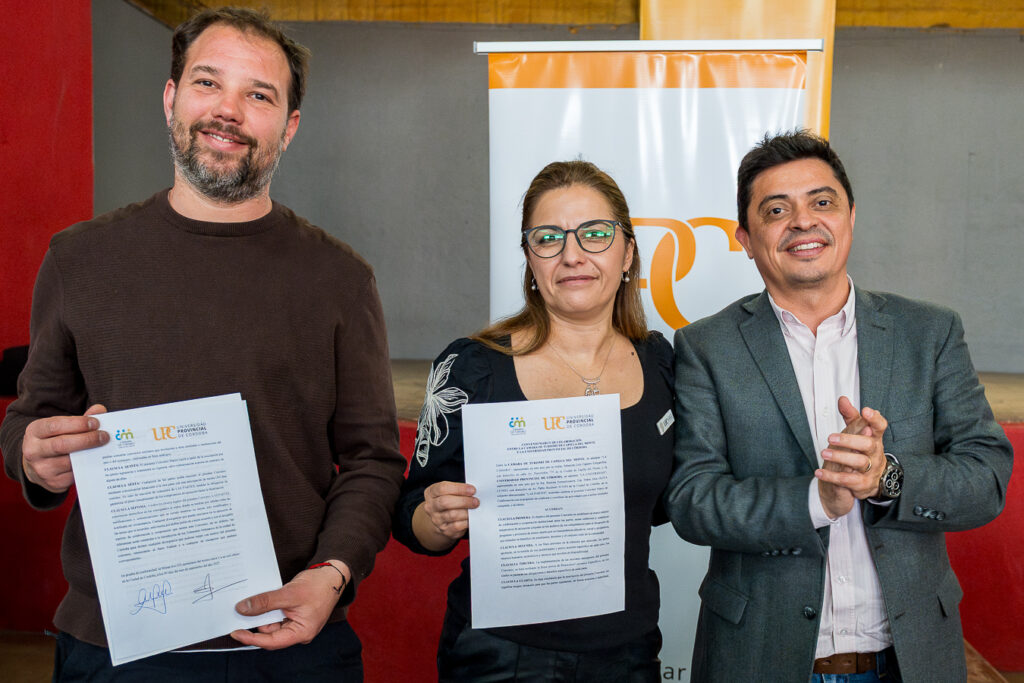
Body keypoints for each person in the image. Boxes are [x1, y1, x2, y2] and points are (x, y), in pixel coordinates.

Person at [0, 7, 405, 681]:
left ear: (289, 127)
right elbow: (28, 420)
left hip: (292, 644)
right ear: (171, 98)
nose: (228, 110)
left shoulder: (340, 279)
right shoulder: (79, 259)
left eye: (259, 95)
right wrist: (33, 455)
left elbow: (372, 461)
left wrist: (332, 574)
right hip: (115, 648)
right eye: (207, 82)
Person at [664, 130, 1013, 682]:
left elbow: (986, 478)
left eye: (822, 202)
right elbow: (692, 500)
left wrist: (886, 477)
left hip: (909, 659)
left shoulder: (929, 332)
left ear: (851, 217)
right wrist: (816, 499)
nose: (803, 221)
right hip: (761, 658)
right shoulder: (707, 347)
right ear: (745, 239)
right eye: (776, 209)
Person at [392, 160, 675, 682]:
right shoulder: (472, 367)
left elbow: (663, 505)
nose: (572, 254)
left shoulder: (661, 364)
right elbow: (412, 515)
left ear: (628, 252)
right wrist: (434, 519)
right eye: (548, 238)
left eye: (595, 234)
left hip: (627, 652)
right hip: (499, 655)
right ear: (529, 259)